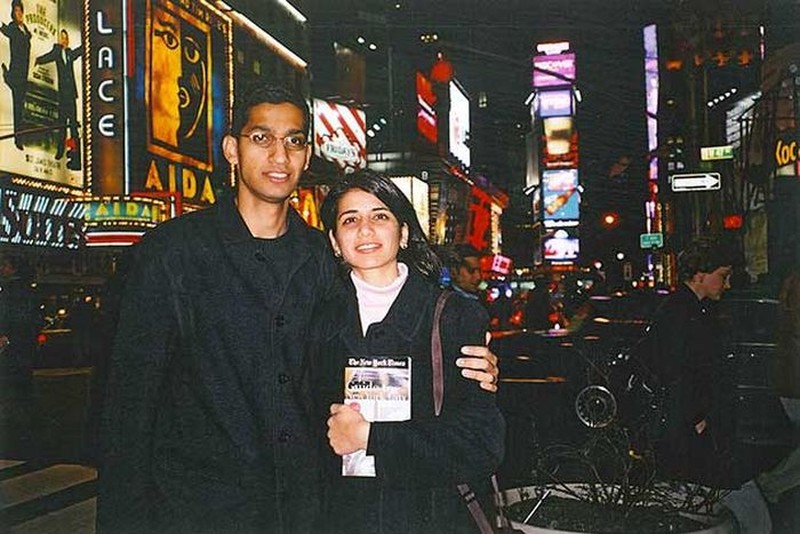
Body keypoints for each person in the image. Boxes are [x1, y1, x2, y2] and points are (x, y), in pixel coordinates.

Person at [97, 83, 499, 534]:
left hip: (306, 511)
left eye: (294, 141)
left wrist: (470, 363)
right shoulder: (172, 255)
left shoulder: (324, 261)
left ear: (307, 157)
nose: (279, 155)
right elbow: (128, 410)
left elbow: (382, 343)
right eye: (261, 138)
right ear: (231, 150)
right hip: (201, 511)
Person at [315, 170, 504, 534]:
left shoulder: (454, 317)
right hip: (343, 519)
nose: (365, 229)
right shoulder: (313, 320)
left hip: (432, 518)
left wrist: (371, 438)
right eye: (350, 219)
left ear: (403, 233)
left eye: (380, 216)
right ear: (335, 242)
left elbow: (482, 444)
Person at [635, 236, 771, 533]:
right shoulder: (683, 313)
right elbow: (675, 369)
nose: (727, 284)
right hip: (691, 425)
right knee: (735, 498)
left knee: (706, 498)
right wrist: (697, 416)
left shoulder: (689, 309)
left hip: (691, 423)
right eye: (722, 276)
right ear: (700, 274)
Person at [757, 270, 800, 503]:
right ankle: (771, 484)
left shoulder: (790, 286)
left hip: (789, 383)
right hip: (793, 385)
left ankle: (771, 484)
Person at [0, 253, 37, 455]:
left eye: (5, 265)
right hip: (23, 351)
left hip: (11, 351)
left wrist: (7, 337)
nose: (2, 269)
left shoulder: (11, 291)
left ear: (13, 268)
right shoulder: (26, 290)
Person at [34, 29, 82, 160]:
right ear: (59, 40)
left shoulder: (70, 53)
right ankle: (60, 150)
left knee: (73, 125)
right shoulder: (56, 52)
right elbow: (47, 57)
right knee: (62, 124)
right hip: (63, 96)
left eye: (66, 38)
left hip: (71, 95)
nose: (64, 41)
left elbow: (79, 51)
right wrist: (38, 60)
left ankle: (74, 151)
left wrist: (88, 42)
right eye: (62, 38)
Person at [1, 0, 31, 150]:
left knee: (21, 107)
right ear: (13, 13)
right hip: (16, 73)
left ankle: (21, 136)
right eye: (16, 11)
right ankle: (18, 139)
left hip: (24, 75)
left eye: (20, 10)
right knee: (17, 107)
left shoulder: (25, 30)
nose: (18, 13)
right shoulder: (12, 28)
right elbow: (5, 30)